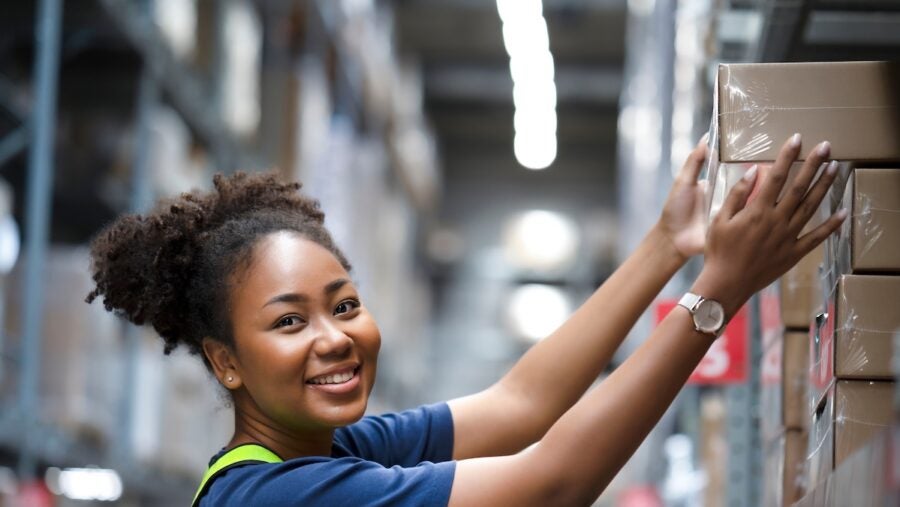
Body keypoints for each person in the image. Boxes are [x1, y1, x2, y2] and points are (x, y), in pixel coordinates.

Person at [87, 133, 844, 506]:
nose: (335, 337)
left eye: (344, 305)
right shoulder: (279, 495)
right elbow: (553, 482)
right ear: (225, 362)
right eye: (289, 323)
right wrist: (718, 294)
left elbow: (521, 405)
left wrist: (663, 248)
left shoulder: (330, 449)